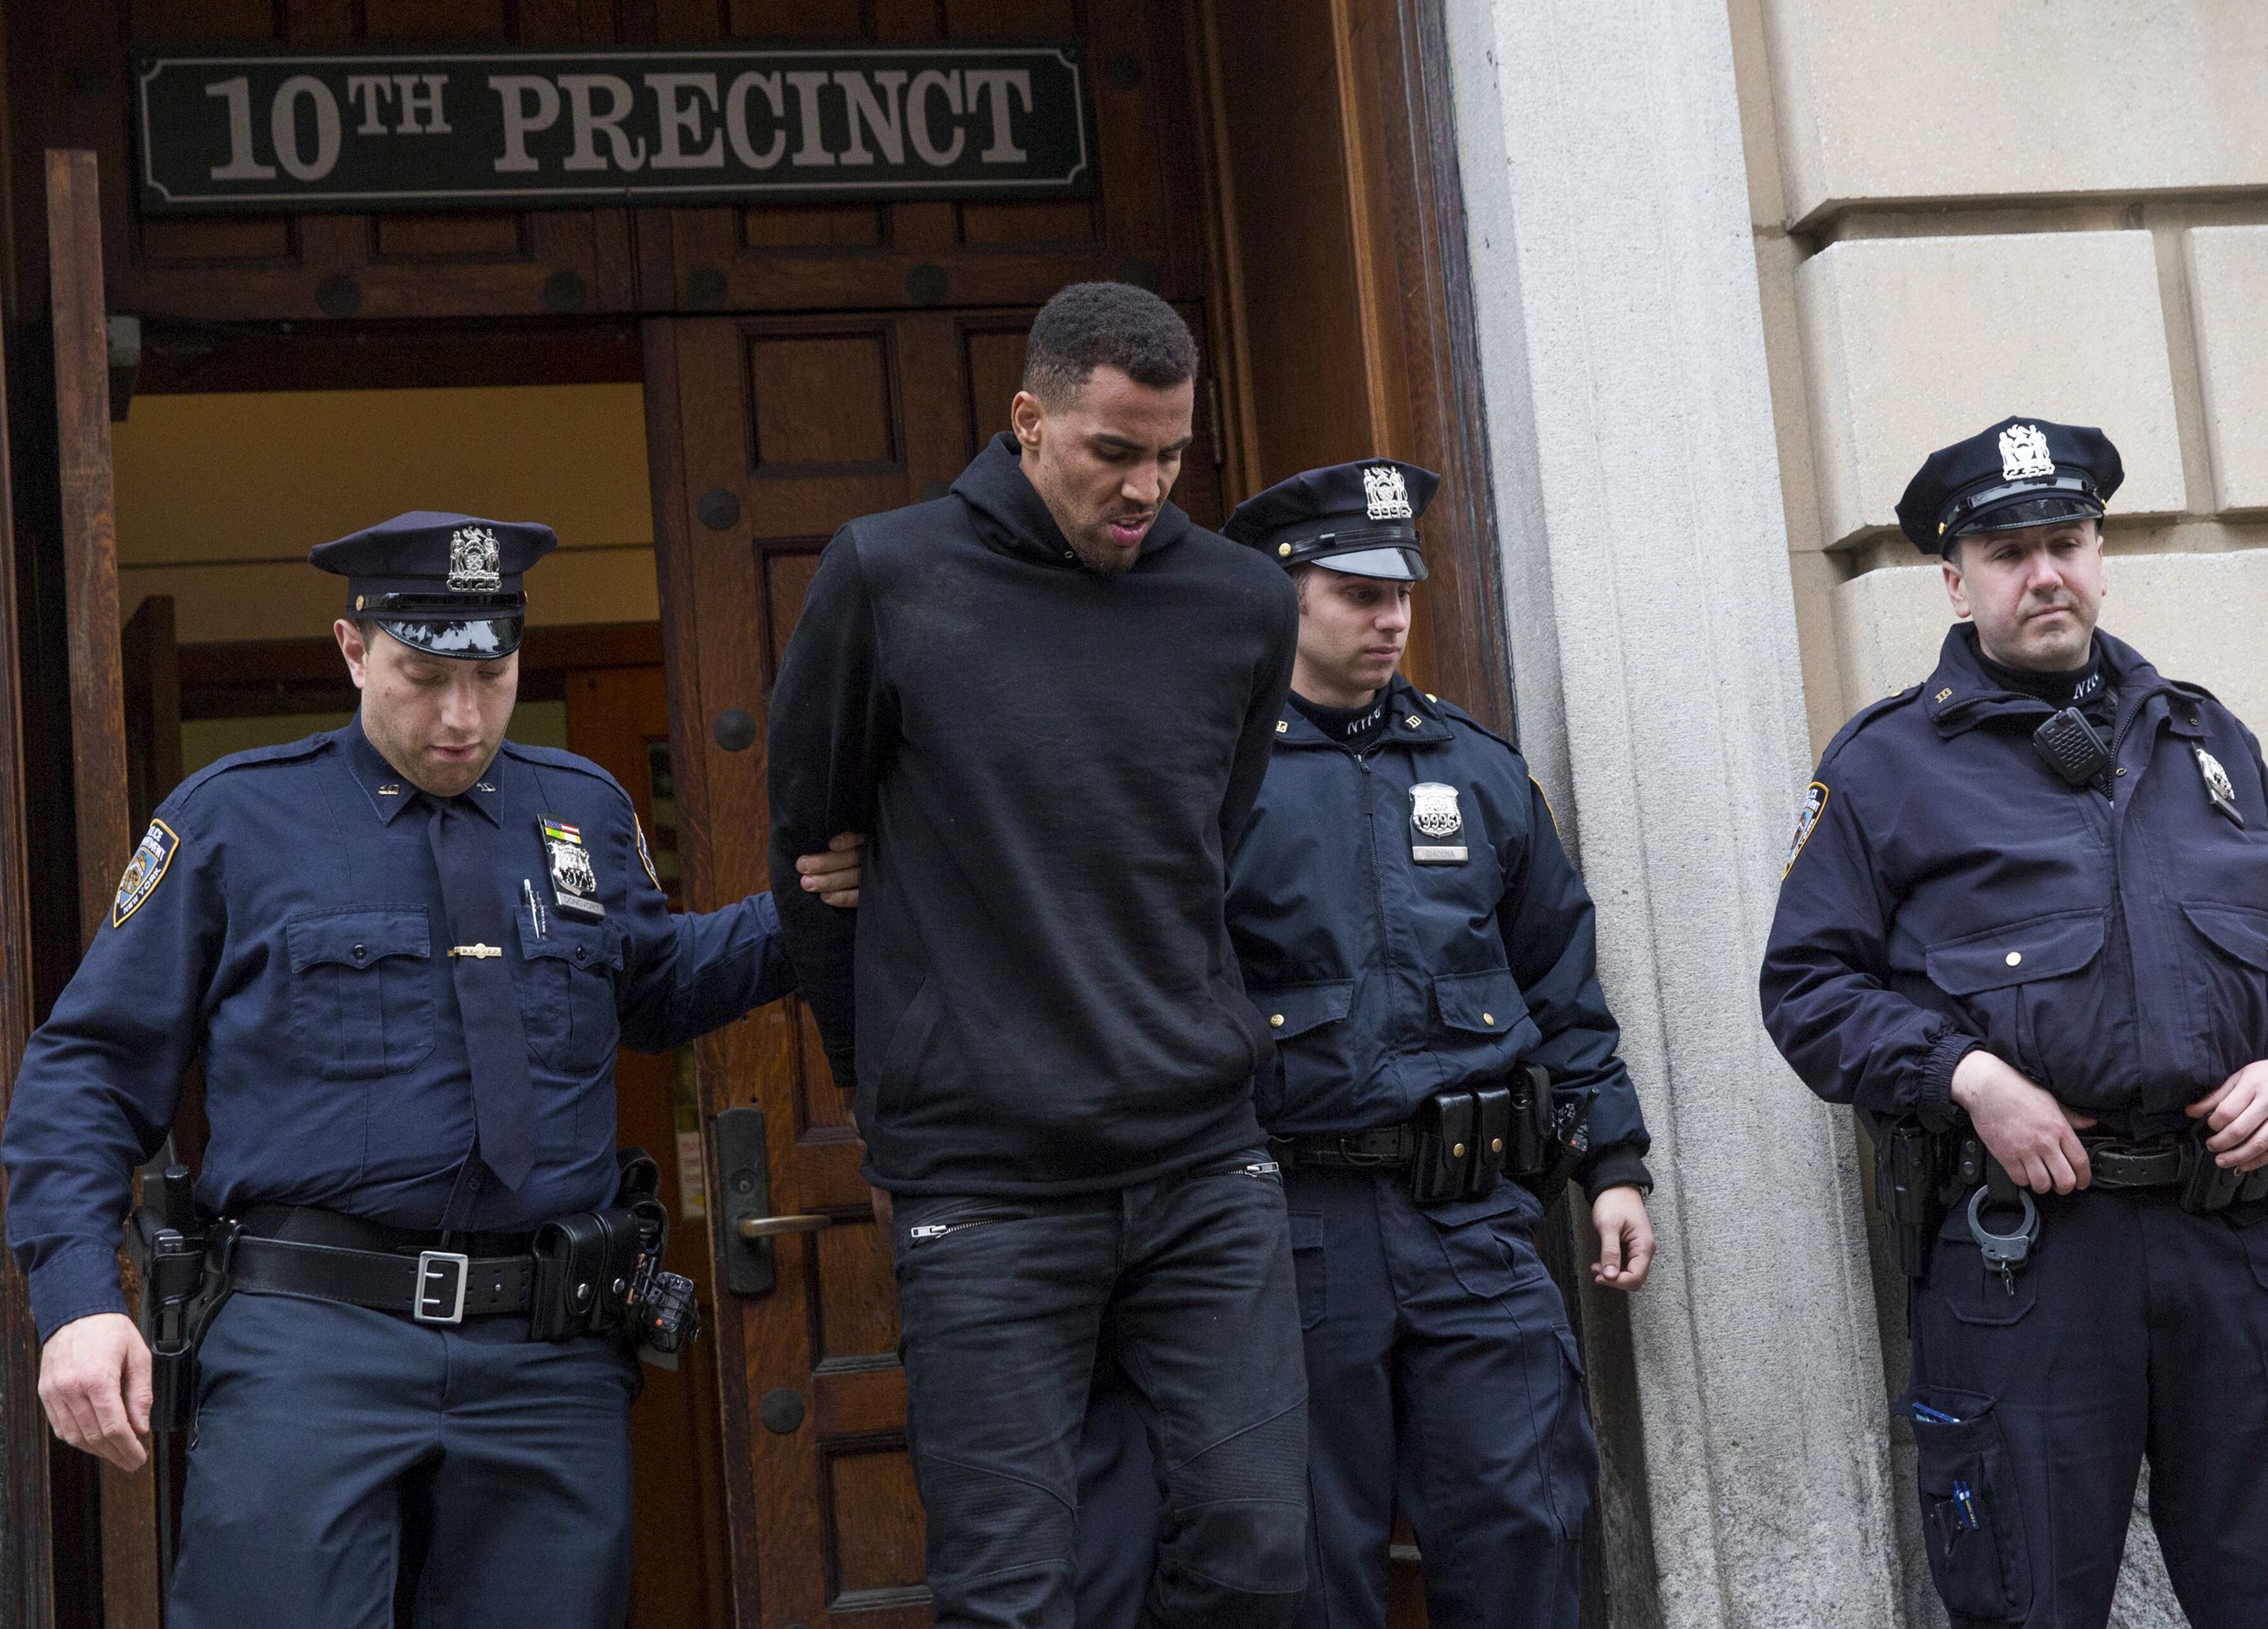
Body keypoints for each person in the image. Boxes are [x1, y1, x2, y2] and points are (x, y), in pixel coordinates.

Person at [799, 458, 1657, 1628]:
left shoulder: (1476, 767)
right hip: (1292, 1216)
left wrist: (1612, 1161)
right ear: (1281, 592)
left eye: (1402, 592)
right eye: (1357, 591)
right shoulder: (1204, 778)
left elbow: (1559, 975)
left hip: (1476, 1217)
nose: (1390, 617)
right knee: (1302, 1558)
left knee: (1526, 1522)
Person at [1, 512, 795, 1628]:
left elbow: (659, 989)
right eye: (424, 676)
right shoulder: (235, 818)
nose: (462, 715)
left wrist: (818, 906)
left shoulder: (582, 811)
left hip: (546, 1356)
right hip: (312, 1348)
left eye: (493, 673)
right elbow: (90, 1068)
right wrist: (78, 1301)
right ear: (353, 648)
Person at [1759, 419, 2268, 1629]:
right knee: (2028, 1600)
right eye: (2007, 552)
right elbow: (1808, 988)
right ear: (1956, 578)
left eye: (2066, 541)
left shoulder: (2204, 740)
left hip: (2234, 1242)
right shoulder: (1887, 767)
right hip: (2030, 1259)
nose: (2044, 573)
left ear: (2100, 555)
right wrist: (1966, 1075)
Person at [764, 281, 1309, 1628]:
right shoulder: (887, 574)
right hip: (986, 1180)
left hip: (1204, 1159)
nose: (1146, 485)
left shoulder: (1242, 600)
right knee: (1007, 1591)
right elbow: (811, 854)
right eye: (1113, 450)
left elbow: (1201, 841)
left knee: (1260, 1549)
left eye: (1172, 453)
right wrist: (886, 1092)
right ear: (1028, 419)